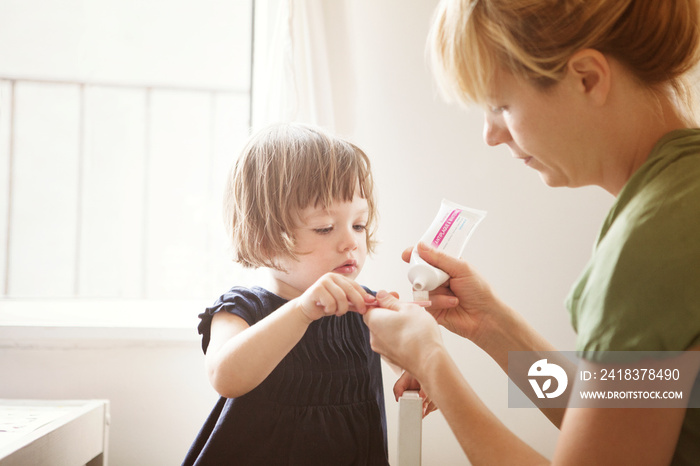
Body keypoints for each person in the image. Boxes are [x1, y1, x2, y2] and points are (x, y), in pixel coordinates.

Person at [363, 0, 700, 464]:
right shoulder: (681, 203)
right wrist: (491, 325)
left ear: (587, 78)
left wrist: (431, 364)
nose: (490, 134)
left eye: (501, 105)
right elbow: (625, 410)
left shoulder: (648, 247)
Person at [182, 123, 391, 465]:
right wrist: (302, 311)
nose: (351, 242)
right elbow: (225, 376)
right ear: (264, 238)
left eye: (359, 225)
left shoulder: (360, 305)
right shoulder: (242, 309)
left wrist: (415, 369)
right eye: (325, 227)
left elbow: (400, 350)